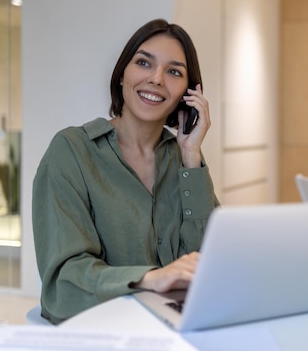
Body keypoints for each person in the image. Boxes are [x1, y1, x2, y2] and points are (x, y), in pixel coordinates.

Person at [32, 19, 220, 324]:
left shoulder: (184, 158)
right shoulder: (71, 151)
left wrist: (191, 156)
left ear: (187, 94)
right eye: (144, 63)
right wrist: (150, 279)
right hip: (105, 331)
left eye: (174, 72)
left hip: (181, 329)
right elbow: (62, 285)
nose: (157, 79)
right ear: (122, 76)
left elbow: (210, 263)